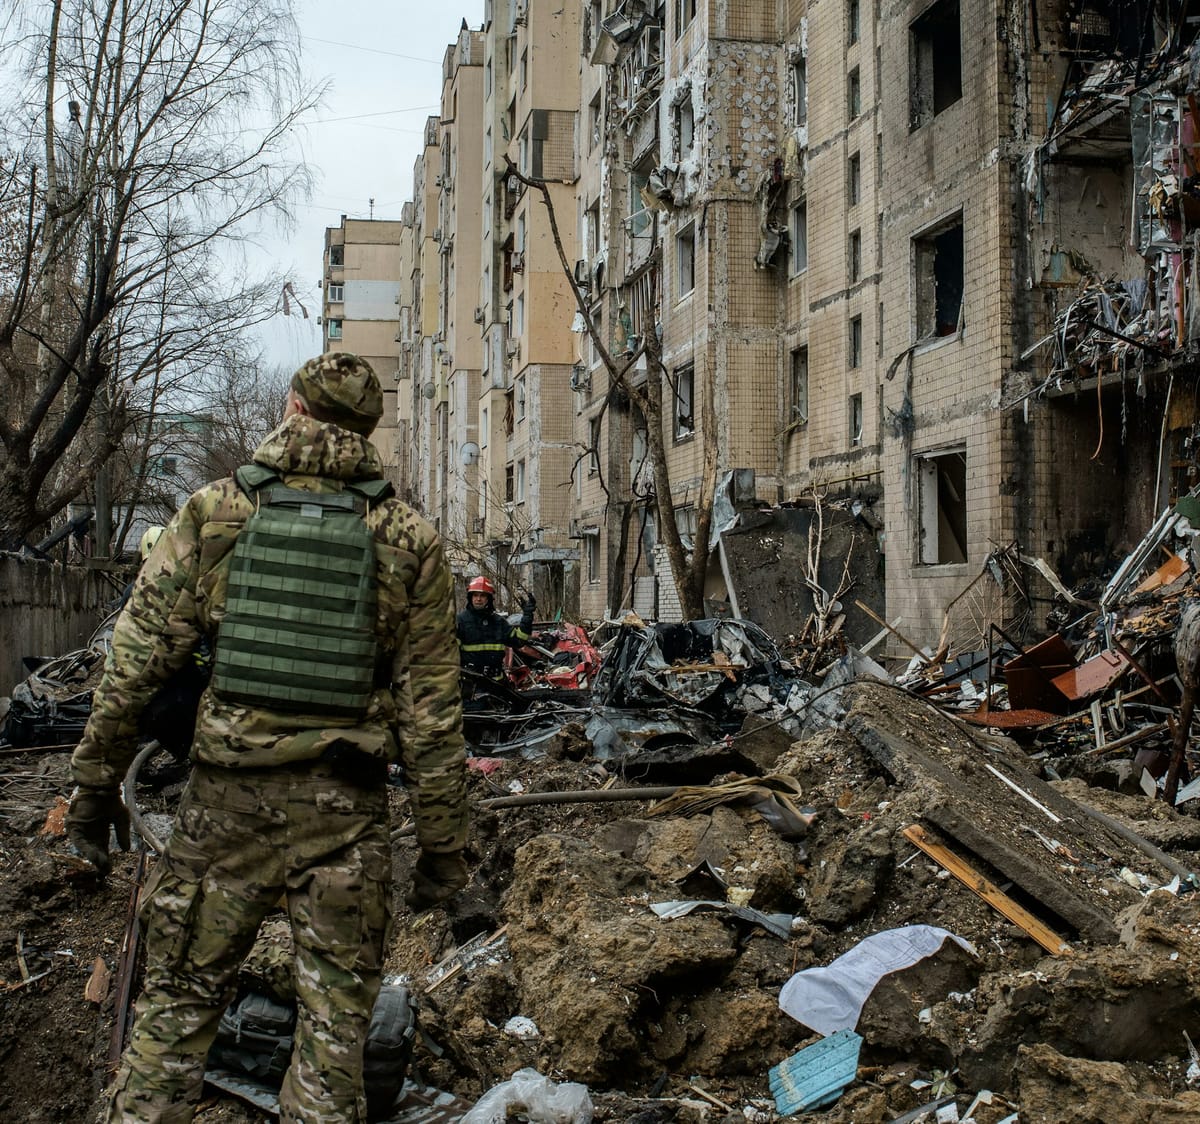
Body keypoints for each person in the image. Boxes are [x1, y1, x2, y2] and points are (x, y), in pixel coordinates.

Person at [66, 352, 469, 1124]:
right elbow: (434, 718)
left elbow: (134, 669)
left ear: (291, 408)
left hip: (224, 811)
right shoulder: (408, 539)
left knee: (178, 1006)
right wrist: (445, 855)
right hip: (346, 823)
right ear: (367, 431)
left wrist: (92, 791)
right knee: (333, 1041)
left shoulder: (216, 512)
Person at [455, 575, 536, 679]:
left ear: (489, 598)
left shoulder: (498, 622)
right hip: (471, 683)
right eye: (475, 595)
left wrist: (527, 617)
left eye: (482, 595)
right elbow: (451, 653)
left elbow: (519, 640)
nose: (478, 599)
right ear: (470, 597)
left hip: (496, 682)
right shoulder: (460, 621)